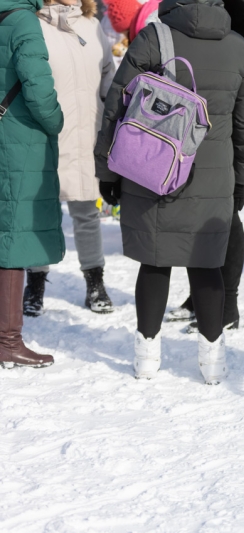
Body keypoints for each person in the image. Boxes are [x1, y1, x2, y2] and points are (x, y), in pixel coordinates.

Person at [93, 0, 244, 384]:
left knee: (155, 260)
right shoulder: (239, 47)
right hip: (215, 174)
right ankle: (212, 362)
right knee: (206, 264)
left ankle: (146, 358)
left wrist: (107, 170)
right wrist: (242, 179)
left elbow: (115, 105)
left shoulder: (154, 37)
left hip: (153, 168)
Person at [167, 0, 244, 334]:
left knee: (225, 218)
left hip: (223, 126)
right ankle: (201, 295)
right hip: (184, 123)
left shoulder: (238, 12)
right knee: (197, 216)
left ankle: (228, 303)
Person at [24, 0, 116, 318]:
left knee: (87, 213)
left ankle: (95, 283)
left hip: (88, 134)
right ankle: (35, 283)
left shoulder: (91, 26)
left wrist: (109, 114)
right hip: (45, 137)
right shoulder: (32, 25)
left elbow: (108, 73)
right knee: (41, 216)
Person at [0, 0, 64, 368]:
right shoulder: (24, 20)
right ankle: (8, 340)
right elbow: (38, 88)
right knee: (14, 235)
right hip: (19, 140)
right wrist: (55, 121)